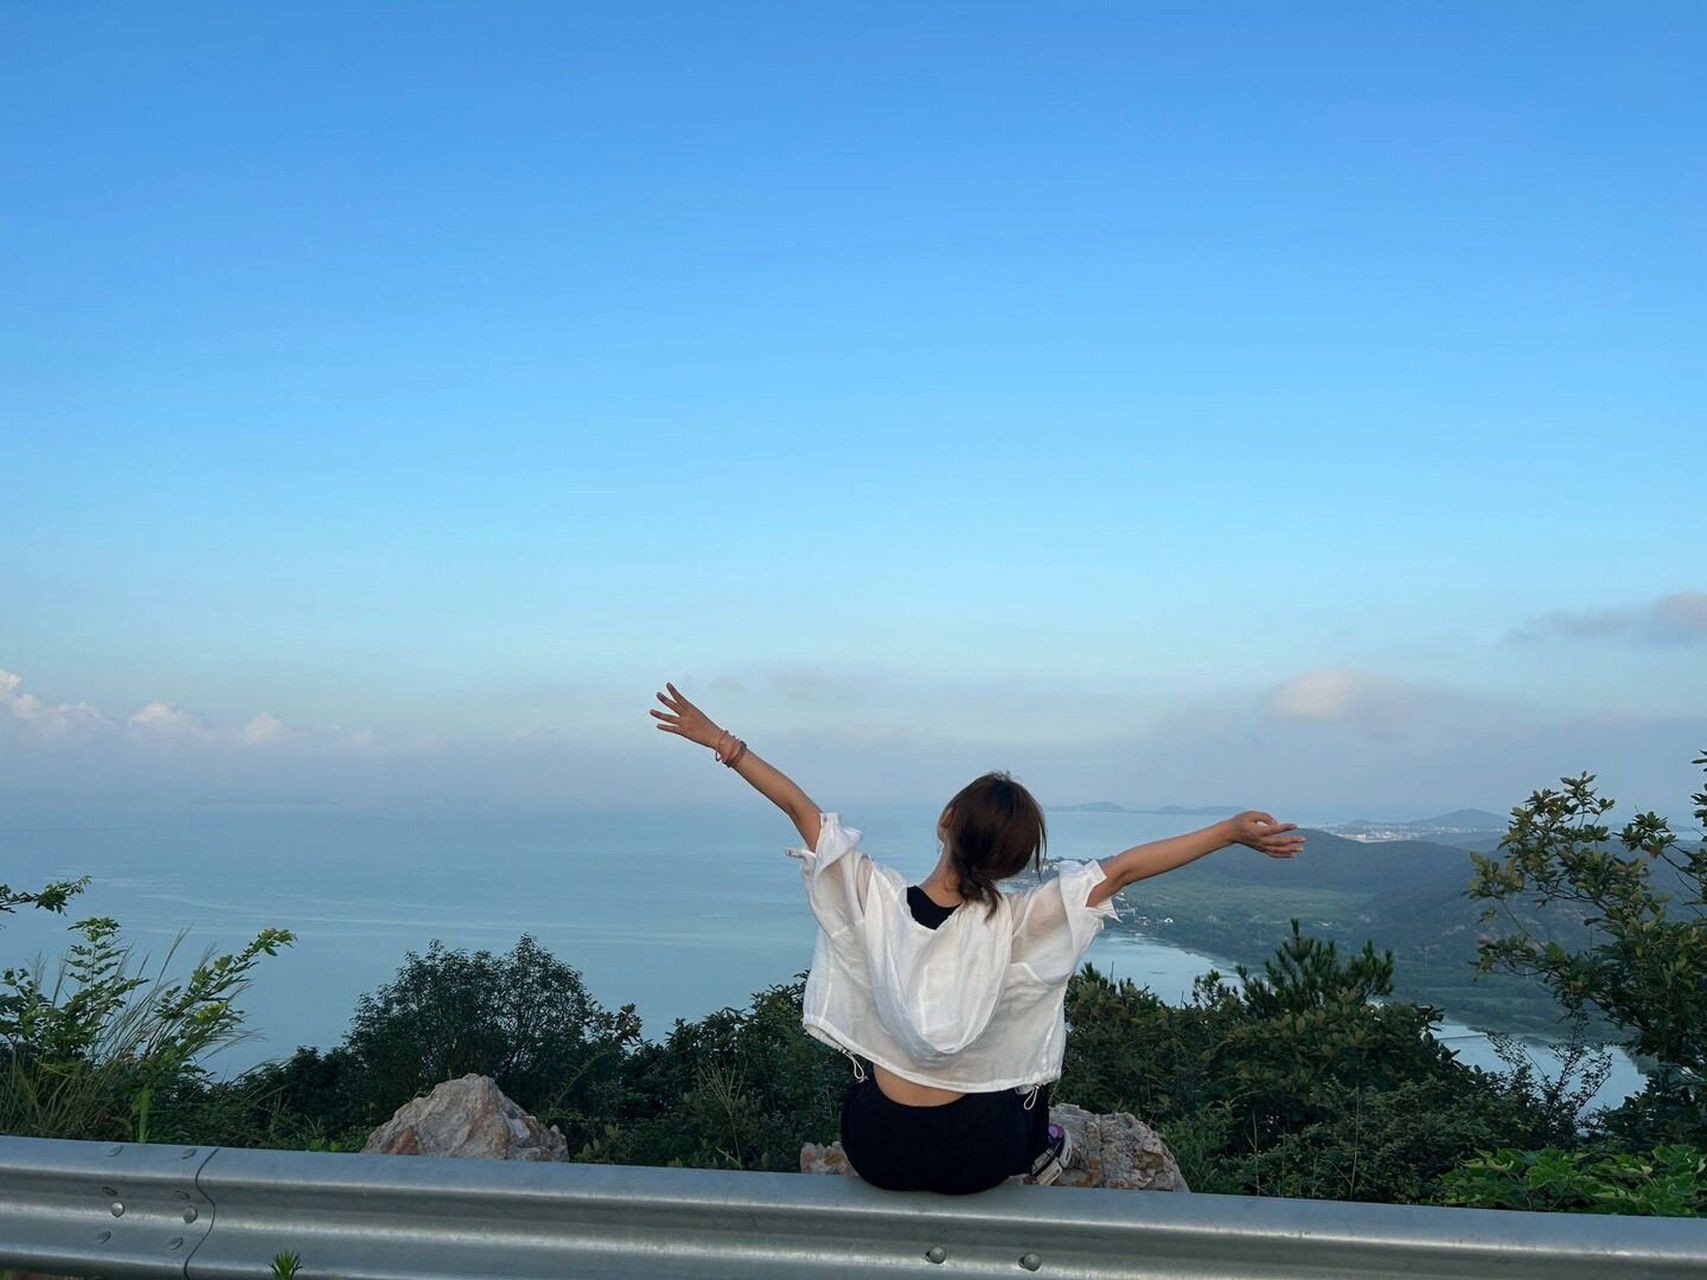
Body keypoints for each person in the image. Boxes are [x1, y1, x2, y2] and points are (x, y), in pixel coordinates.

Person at [650, 681, 1304, 1194]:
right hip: (979, 1157)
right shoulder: (1021, 923)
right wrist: (1227, 832)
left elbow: (800, 809)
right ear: (1015, 864)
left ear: (944, 821)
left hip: (878, 1150)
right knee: (1033, 1013)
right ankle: (1042, 1146)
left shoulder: (873, 899)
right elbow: (1125, 868)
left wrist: (722, 742)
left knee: (876, 1080)